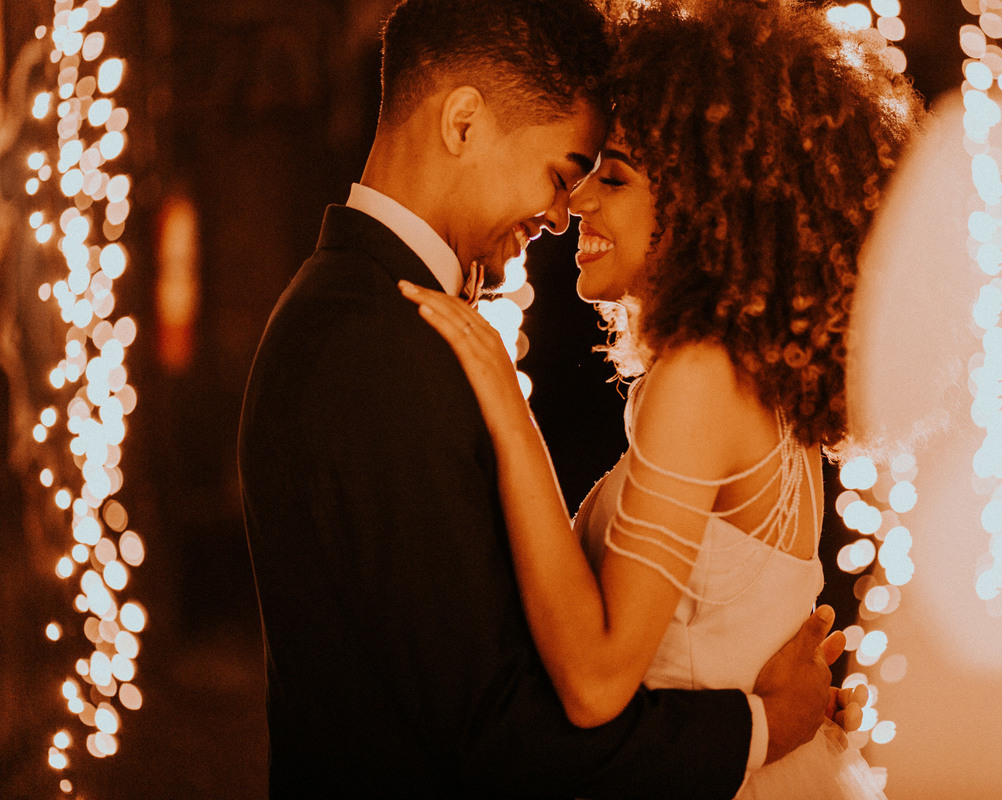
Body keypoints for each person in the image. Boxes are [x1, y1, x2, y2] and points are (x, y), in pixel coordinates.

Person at [238, 0, 856, 796]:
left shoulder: (386, 319)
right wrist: (765, 724)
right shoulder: (371, 343)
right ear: (463, 123)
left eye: (605, 178)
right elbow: (496, 730)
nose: (565, 214)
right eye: (566, 173)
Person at [399, 1, 922, 797]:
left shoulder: (702, 376)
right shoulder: (747, 375)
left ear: (704, 204)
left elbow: (598, 680)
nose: (576, 206)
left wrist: (507, 408)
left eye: (614, 178)